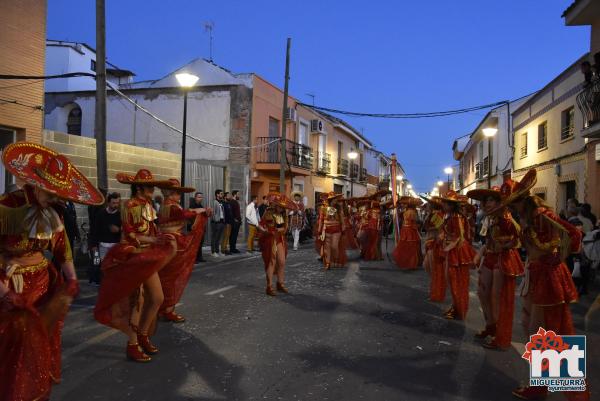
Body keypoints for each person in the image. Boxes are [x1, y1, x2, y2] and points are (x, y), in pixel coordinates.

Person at [0, 141, 104, 401]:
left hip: (42, 284)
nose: (57, 199)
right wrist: (3, 292)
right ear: (35, 184)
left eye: (59, 195)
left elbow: (62, 250)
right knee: (12, 343)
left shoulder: (53, 213)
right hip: (9, 283)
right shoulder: (7, 206)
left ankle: (31, 391)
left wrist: (71, 278)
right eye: (52, 193)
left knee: (37, 341)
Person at [499, 170, 590, 401]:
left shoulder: (542, 214)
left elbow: (574, 234)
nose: (511, 209)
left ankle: (540, 386)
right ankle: (541, 383)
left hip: (547, 276)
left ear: (522, 201)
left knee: (544, 332)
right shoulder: (528, 218)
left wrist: (559, 257)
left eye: (513, 204)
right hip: (535, 273)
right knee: (532, 327)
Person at [94, 169, 177, 362]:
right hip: (133, 256)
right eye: (149, 186)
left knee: (157, 298)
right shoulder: (128, 205)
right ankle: (132, 344)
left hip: (148, 255)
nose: (152, 189)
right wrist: (154, 240)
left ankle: (143, 334)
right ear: (139, 187)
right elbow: (130, 234)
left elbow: (153, 229)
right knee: (136, 302)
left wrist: (163, 237)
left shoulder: (149, 205)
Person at [468, 185, 524, 350]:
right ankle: (490, 325)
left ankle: (500, 334)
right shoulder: (491, 219)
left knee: (496, 297)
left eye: (491, 200)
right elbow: (487, 242)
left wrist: (506, 244)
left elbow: (517, 241)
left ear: (501, 201)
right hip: (490, 257)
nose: (486, 204)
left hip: (503, 259)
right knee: (482, 293)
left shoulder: (508, 221)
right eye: (485, 201)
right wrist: (478, 256)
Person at [157, 179, 209, 323]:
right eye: (178, 193)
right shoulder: (171, 206)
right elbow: (186, 214)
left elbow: (187, 212)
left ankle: (163, 308)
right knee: (171, 277)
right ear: (172, 193)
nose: (180, 195)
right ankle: (166, 309)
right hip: (172, 243)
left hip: (167, 241)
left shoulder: (169, 205)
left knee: (167, 276)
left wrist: (199, 210)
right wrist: (202, 210)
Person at [436, 191, 476, 320]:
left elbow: (459, 236)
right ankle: (456, 306)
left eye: (445, 203)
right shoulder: (450, 216)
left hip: (457, 252)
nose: (442, 205)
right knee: (453, 282)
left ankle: (459, 308)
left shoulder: (456, 217)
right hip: (453, 250)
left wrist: (447, 248)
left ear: (451, 205)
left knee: (457, 282)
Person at [258, 193, 297, 296]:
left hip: (280, 239)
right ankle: (269, 286)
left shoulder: (283, 214)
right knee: (272, 261)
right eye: (280, 206)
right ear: (275, 205)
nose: (281, 208)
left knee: (282, 261)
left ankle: (280, 283)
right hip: (270, 240)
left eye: (283, 207)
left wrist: (280, 229)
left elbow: (285, 228)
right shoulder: (268, 212)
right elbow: (260, 225)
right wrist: (267, 231)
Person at [92, 192, 122, 283]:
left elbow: (126, 229)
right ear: (108, 203)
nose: (116, 205)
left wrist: (119, 230)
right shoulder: (101, 214)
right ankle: (104, 284)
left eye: (117, 203)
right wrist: (94, 245)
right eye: (113, 203)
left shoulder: (120, 215)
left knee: (115, 267)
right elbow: (95, 230)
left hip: (116, 245)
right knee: (104, 267)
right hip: (103, 246)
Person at [422, 198, 445, 302]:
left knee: (433, 269)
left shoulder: (437, 215)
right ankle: (435, 291)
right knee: (428, 266)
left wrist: (437, 242)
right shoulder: (431, 214)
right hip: (430, 242)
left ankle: (436, 293)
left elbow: (441, 230)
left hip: (434, 243)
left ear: (432, 206)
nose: (426, 206)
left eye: (428, 204)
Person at [392, 196, 423, 270]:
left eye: (405, 204)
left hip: (407, 229)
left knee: (407, 245)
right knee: (411, 246)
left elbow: (412, 221)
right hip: (409, 230)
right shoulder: (411, 212)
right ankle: (412, 262)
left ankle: (409, 262)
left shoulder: (408, 212)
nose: (404, 205)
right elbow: (415, 221)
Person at [317, 192, 345, 270]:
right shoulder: (323, 208)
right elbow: (321, 220)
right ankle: (328, 263)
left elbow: (342, 219)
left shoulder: (339, 208)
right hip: (326, 229)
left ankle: (335, 259)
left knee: (334, 246)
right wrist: (319, 230)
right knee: (327, 247)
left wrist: (343, 228)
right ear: (331, 200)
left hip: (336, 229)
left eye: (336, 199)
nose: (336, 200)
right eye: (334, 199)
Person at [189, 192, 206, 262]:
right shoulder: (192, 206)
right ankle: (194, 258)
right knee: (194, 244)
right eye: (199, 197)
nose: (200, 198)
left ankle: (199, 257)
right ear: (195, 198)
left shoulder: (201, 206)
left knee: (200, 243)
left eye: (201, 197)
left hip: (201, 227)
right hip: (194, 227)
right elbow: (190, 215)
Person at [211, 189, 226, 257]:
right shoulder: (215, 202)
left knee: (218, 238)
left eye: (222, 194)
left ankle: (217, 251)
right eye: (221, 194)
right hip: (216, 222)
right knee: (214, 237)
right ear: (217, 194)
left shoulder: (222, 202)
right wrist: (215, 220)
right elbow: (213, 212)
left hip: (222, 222)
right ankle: (213, 252)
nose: (222, 195)